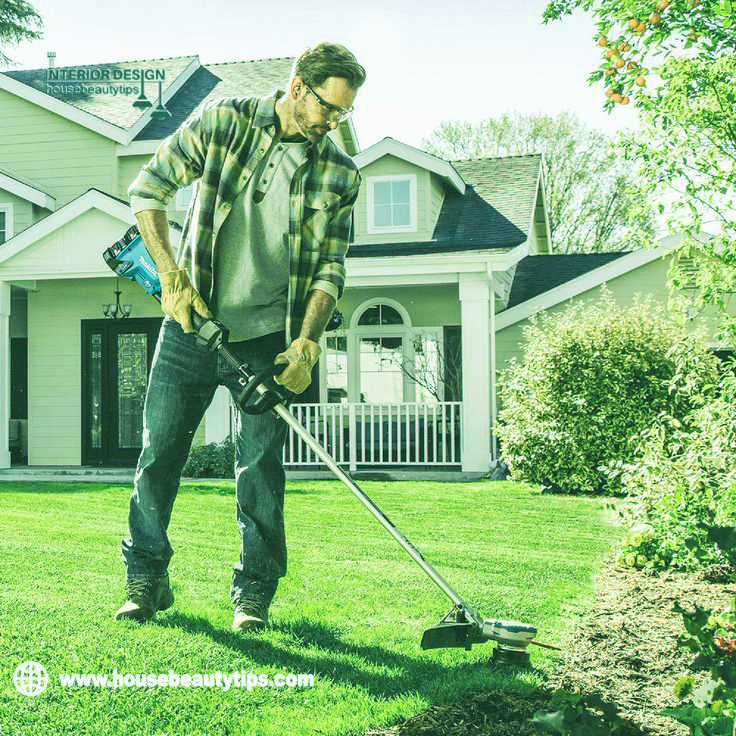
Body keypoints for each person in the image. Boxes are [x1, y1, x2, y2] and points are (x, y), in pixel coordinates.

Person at [114, 42, 366, 632]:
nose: (335, 123)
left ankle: (252, 595)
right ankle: (145, 580)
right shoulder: (226, 121)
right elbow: (149, 190)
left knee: (259, 467)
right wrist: (172, 274)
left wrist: (307, 342)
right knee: (159, 454)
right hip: (191, 323)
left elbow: (331, 267)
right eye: (331, 108)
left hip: (267, 338)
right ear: (299, 88)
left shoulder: (339, 173)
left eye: (345, 114)